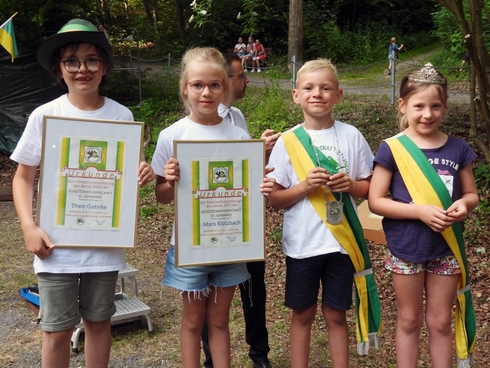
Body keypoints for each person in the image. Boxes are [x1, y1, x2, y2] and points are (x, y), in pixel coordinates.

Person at [9, 19, 154, 368]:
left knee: (99, 323)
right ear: (60, 69)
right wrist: (29, 226)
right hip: (56, 247)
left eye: (92, 59)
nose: (82, 69)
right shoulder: (45, 115)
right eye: (72, 61)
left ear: (104, 66)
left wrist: (143, 170)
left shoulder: (122, 116)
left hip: (104, 246)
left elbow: (129, 172)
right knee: (57, 331)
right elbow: (23, 177)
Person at [151, 47, 275, 368]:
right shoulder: (171, 136)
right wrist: (168, 179)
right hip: (190, 246)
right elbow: (162, 196)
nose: (206, 92)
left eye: (215, 85)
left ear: (226, 88)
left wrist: (260, 170)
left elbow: (247, 192)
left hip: (230, 245)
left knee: (220, 321)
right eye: (197, 85)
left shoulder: (238, 134)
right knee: (193, 322)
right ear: (185, 88)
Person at [266, 58, 381, 367]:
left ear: (338, 95)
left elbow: (370, 187)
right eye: (309, 88)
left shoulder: (351, 136)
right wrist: (304, 186)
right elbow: (275, 199)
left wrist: (351, 186)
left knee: (336, 313)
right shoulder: (287, 142)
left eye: (325, 88)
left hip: (342, 244)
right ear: (296, 95)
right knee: (302, 313)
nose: (317, 94)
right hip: (303, 245)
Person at [368, 63, 479, 368]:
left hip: (446, 249)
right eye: (419, 106)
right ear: (403, 105)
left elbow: (471, 195)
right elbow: (376, 201)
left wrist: (464, 205)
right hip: (407, 248)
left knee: (441, 321)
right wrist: (418, 211)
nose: (427, 114)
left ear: (445, 107)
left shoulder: (458, 148)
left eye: (435, 106)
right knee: (409, 319)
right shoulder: (393, 148)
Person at [201, 54, 280, 368]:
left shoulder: (238, 116)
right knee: (209, 295)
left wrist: (260, 156)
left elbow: (243, 172)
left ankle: (259, 355)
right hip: (214, 222)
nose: (245, 80)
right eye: (241, 75)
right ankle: (211, 359)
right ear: (225, 81)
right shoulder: (203, 119)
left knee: (253, 289)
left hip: (245, 219)